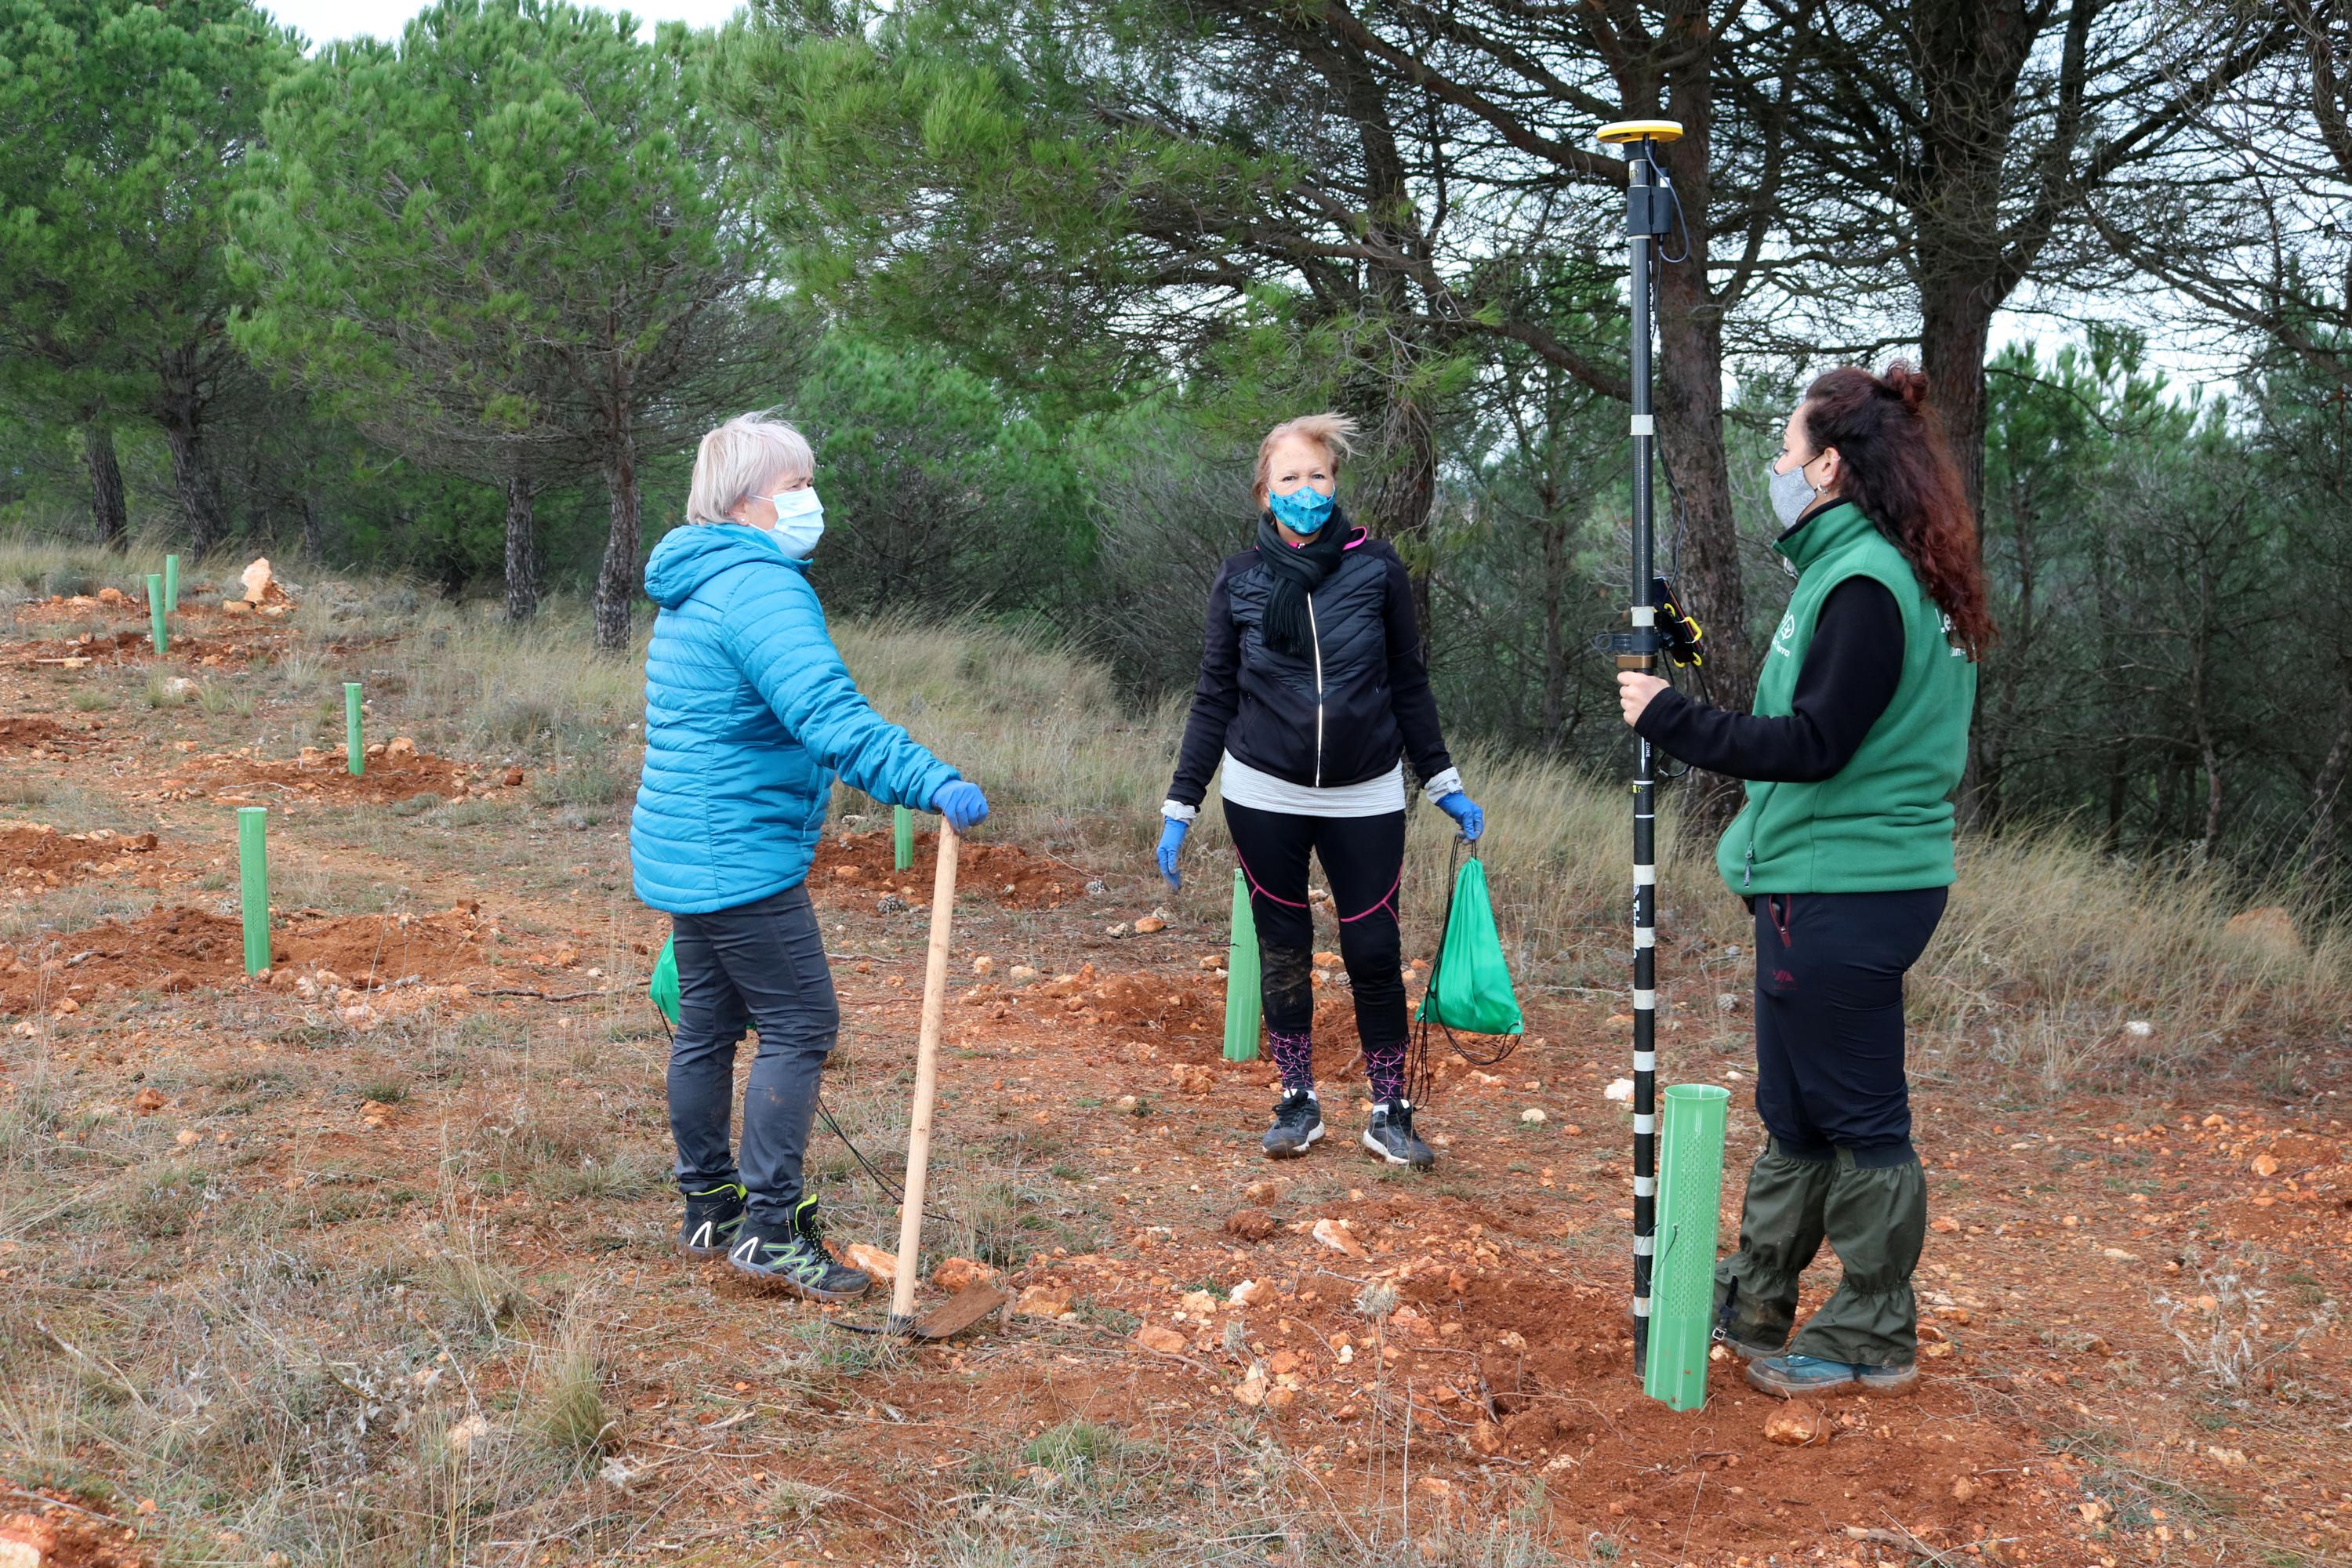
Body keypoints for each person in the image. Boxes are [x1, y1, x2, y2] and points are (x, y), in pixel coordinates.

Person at [1616, 361, 1989, 1399]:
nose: (1775, 468)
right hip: (1829, 881)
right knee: (1799, 1106)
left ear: (1829, 466)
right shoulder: (1868, 570)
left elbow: (1818, 740)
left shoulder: (1867, 584)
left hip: (1846, 887)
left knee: (1860, 1115)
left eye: (1785, 451)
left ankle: (1871, 1333)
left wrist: (1668, 718)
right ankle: (1760, 1294)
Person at [631, 412, 990, 1302]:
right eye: (796, 484)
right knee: (800, 1023)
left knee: (711, 1024)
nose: (810, 499)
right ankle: (769, 1229)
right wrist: (929, 779)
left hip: (685, 845)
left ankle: (709, 1203)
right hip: (738, 857)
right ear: (749, 501)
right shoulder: (758, 588)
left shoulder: (695, 580)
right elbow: (829, 716)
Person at [1158, 412, 1484, 1168]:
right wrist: (1182, 803)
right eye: (1291, 479)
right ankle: (1297, 1101)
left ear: (1336, 483)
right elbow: (1214, 696)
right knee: (1283, 949)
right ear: (1265, 495)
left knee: (1374, 948)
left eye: (1319, 476)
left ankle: (1388, 1111)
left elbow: (1408, 683)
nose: (1307, 490)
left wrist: (1443, 781)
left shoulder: (1378, 569)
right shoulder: (1241, 579)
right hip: (1261, 791)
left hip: (1365, 792)